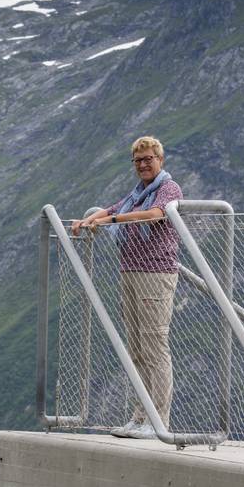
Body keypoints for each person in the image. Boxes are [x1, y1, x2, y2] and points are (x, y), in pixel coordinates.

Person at [71, 136, 182, 436]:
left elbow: (156, 215)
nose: (144, 164)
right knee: (137, 349)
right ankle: (140, 415)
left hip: (155, 273)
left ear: (161, 160)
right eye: (138, 160)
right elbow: (111, 208)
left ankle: (158, 421)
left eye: (149, 159)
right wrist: (89, 221)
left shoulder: (168, 189)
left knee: (155, 346)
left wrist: (115, 219)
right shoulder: (138, 193)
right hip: (131, 271)